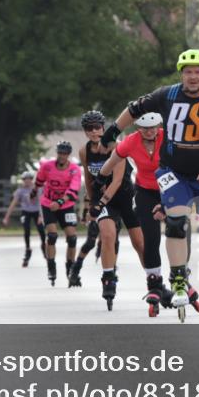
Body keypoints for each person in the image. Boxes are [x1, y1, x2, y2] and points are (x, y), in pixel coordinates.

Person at [101, 48, 199, 322]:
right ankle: (177, 279)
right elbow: (134, 108)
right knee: (176, 220)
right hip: (174, 172)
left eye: (198, 72)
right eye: (188, 72)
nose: (192, 77)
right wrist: (114, 129)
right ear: (181, 74)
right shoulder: (168, 94)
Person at [100, 111, 176, 317]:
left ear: (158, 127)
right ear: (137, 129)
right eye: (144, 128)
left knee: (177, 230)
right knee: (150, 238)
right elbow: (113, 159)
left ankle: (180, 274)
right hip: (145, 192)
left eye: (153, 128)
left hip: (171, 190)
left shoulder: (169, 137)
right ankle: (154, 283)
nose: (149, 132)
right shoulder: (130, 142)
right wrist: (101, 175)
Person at [79, 110, 146, 310]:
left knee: (139, 244)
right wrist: (90, 203)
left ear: (103, 127)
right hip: (103, 200)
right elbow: (88, 178)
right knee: (107, 235)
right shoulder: (84, 151)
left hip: (124, 196)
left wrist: (100, 202)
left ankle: (154, 279)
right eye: (89, 128)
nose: (93, 132)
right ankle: (109, 276)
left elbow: (116, 180)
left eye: (97, 127)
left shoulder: (115, 146)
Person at [33, 142, 82, 286]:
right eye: (60, 153)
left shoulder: (74, 170)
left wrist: (59, 202)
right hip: (48, 204)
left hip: (65, 205)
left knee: (72, 239)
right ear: (57, 153)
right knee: (52, 236)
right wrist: (34, 191)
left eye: (64, 154)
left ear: (68, 155)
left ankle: (70, 268)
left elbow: (73, 191)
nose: (62, 156)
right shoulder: (47, 166)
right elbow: (39, 181)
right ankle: (51, 266)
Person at [3, 171, 48, 268]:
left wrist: (41, 215)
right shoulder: (20, 191)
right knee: (26, 230)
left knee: (41, 231)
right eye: (25, 179)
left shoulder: (37, 188)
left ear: (32, 180)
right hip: (26, 212)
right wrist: (7, 217)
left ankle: (44, 246)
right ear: (23, 180)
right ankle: (28, 249)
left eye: (29, 179)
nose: (27, 181)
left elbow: (42, 202)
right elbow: (13, 204)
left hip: (37, 211)